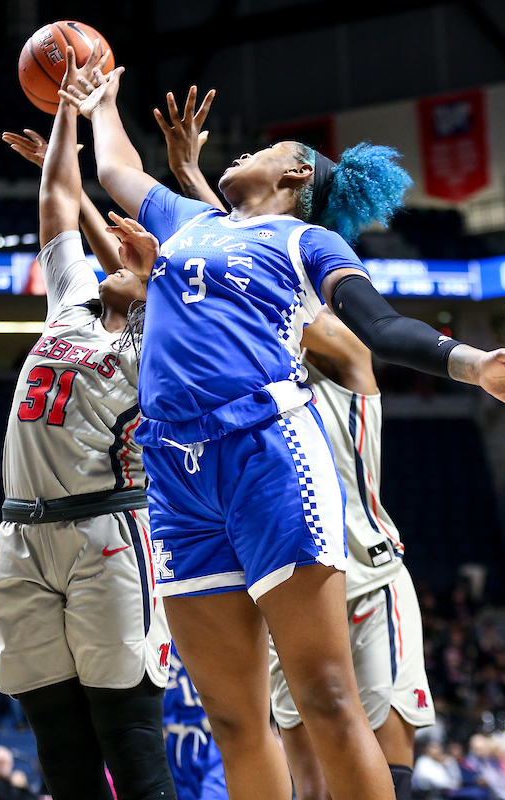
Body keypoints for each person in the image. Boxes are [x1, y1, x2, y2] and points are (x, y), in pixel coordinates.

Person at [63, 61, 505, 800]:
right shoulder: (189, 221)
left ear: (297, 171)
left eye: (261, 150)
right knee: (234, 724)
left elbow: (383, 326)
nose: (239, 154)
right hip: (173, 472)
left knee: (328, 701)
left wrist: (474, 367)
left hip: (264, 451)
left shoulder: (306, 245)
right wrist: (101, 102)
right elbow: (113, 168)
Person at [152, 93, 435, 800]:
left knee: (378, 757)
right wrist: (192, 181)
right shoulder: (248, 359)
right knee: (306, 778)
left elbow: (249, 269)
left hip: (364, 575)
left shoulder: (344, 351)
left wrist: (202, 198)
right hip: (276, 561)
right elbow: (224, 262)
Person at [0, 46, 175, 800]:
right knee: (62, 760)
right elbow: (56, 207)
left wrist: (148, 257)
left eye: (132, 255)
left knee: (131, 755)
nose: (114, 251)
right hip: (22, 535)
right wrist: (68, 103)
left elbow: (118, 240)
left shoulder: (158, 342)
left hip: (107, 534)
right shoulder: (70, 304)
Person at [163, 642, 227, 800]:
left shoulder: (206, 625)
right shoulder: (154, 629)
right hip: (176, 741)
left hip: (215, 734)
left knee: (216, 794)